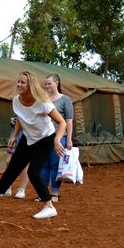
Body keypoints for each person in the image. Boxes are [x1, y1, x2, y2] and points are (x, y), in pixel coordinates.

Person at [0, 71, 66, 219]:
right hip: (28, 138)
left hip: (45, 139)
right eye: (18, 81)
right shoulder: (16, 100)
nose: (18, 84)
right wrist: (14, 135)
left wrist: (57, 140)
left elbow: (62, 122)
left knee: (34, 172)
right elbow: (20, 117)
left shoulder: (43, 102)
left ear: (30, 85)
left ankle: (49, 206)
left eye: (22, 82)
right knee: (13, 168)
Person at [39, 74, 73, 202]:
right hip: (44, 138)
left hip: (59, 138)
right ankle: (43, 193)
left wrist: (69, 139)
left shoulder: (65, 100)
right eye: (45, 84)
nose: (47, 86)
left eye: (49, 84)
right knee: (43, 165)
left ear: (57, 83)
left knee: (55, 165)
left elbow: (68, 121)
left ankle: (54, 193)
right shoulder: (42, 99)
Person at [1, 114, 29, 199]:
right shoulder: (18, 102)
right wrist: (14, 120)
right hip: (15, 133)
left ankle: (22, 189)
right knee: (8, 161)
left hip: (28, 133)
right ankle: (7, 187)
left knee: (25, 162)